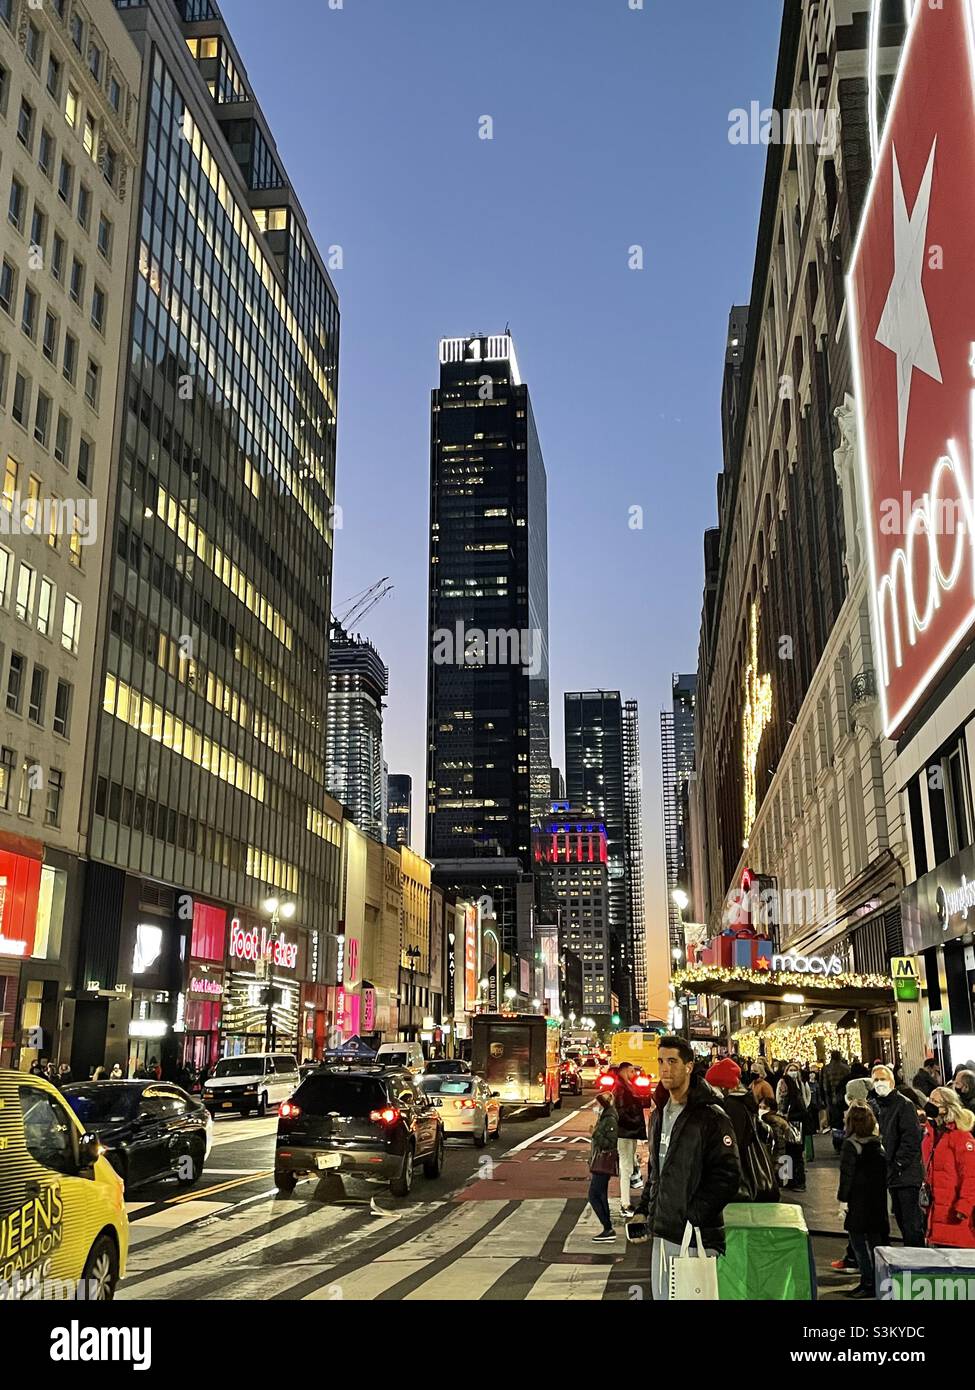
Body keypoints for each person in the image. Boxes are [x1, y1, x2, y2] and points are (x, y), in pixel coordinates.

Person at [633, 1036, 740, 1300]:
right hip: (663, 1233)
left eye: (672, 1061)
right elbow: (657, 1170)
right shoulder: (659, 1113)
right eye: (660, 1061)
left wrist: (693, 1216)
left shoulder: (711, 1115)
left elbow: (728, 1175)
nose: (665, 1068)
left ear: (689, 1066)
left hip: (695, 1236)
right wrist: (644, 1210)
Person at [869, 1063, 926, 1249]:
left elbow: (911, 1140)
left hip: (905, 1174)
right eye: (875, 1080)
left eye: (882, 1079)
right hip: (892, 1173)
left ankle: (918, 1261)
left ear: (892, 1082)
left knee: (910, 1223)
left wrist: (898, 1165)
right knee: (902, 1220)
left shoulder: (904, 1105)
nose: (879, 1083)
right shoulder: (878, 1107)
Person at [838, 1099, 890, 1299]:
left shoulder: (851, 1145)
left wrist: (843, 1200)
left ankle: (867, 1282)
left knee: (859, 1244)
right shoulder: (878, 1145)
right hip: (876, 1201)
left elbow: (847, 1176)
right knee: (877, 1244)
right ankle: (880, 1280)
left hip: (858, 1202)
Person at [707, 1057, 777, 1202]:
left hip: (742, 1177)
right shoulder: (741, 1101)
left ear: (723, 1086)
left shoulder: (733, 1106)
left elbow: (735, 1142)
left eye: (713, 1086)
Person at [922, 1087, 975, 1249]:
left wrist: (964, 1207)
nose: (930, 1104)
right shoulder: (930, 1135)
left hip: (954, 1214)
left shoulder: (961, 1137)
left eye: (935, 1102)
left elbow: (971, 1176)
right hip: (935, 1211)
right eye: (930, 1099)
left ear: (946, 1108)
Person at [615, 1061, 649, 1218]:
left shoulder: (626, 1085)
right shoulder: (621, 1088)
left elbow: (636, 1104)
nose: (634, 1074)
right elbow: (622, 1112)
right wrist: (635, 1123)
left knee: (627, 1166)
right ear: (624, 1071)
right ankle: (625, 1203)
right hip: (625, 1133)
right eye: (631, 1071)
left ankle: (626, 1201)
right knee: (626, 1167)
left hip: (629, 1132)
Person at [587, 1088, 620, 1244]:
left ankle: (608, 1228)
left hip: (604, 1162)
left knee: (594, 1195)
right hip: (600, 1162)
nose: (596, 1106)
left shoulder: (610, 1118)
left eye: (598, 1103)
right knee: (600, 1195)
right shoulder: (605, 1116)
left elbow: (610, 1142)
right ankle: (608, 1229)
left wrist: (595, 1133)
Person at [776, 1063, 811, 1191]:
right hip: (792, 1124)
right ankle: (790, 1181)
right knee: (789, 1154)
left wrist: (787, 1116)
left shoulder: (795, 1095)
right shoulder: (792, 1093)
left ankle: (799, 1182)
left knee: (795, 1154)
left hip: (795, 1125)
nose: (781, 1089)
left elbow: (803, 1109)